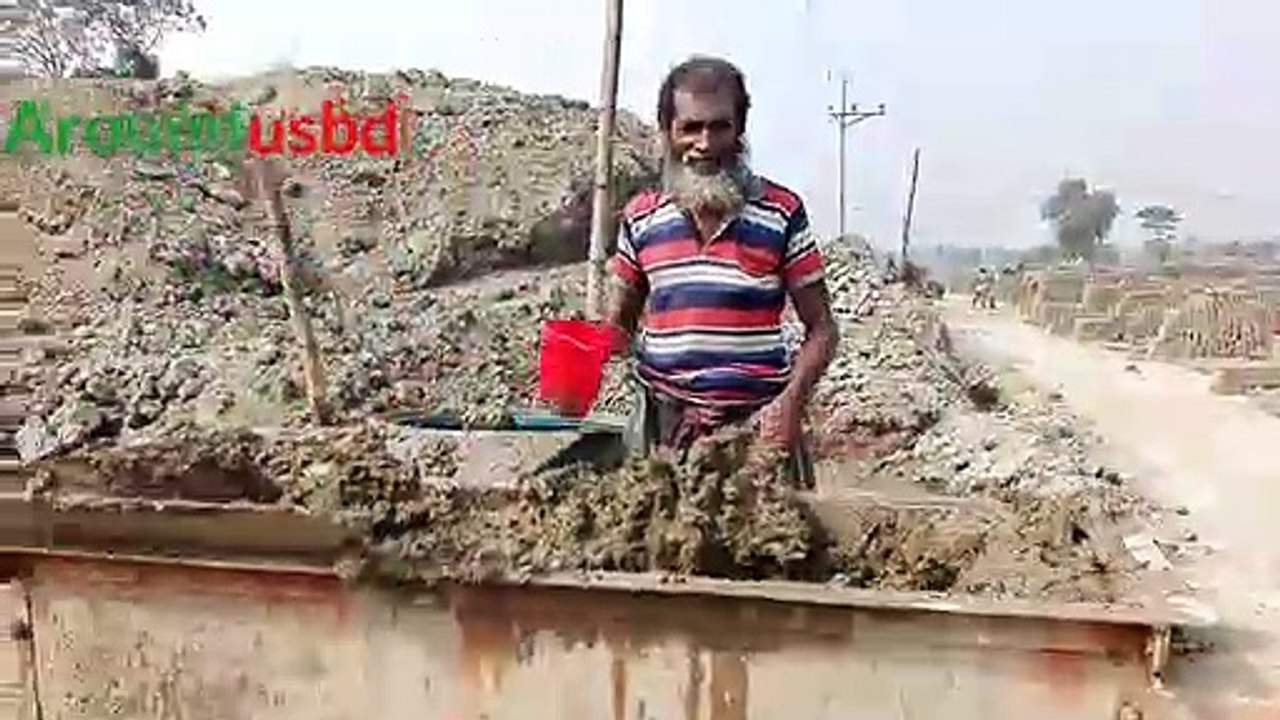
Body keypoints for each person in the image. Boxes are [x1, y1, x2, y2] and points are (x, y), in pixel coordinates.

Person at [605, 56, 839, 487]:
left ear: (740, 129)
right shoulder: (640, 219)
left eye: (720, 126)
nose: (706, 143)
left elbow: (822, 328)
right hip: (663, 436)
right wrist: (581, 367)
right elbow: (618, 327)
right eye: (690, 128)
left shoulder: (781, 212)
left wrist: (789, 406)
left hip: (758, 434)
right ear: (666, 131)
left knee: (773, 549)